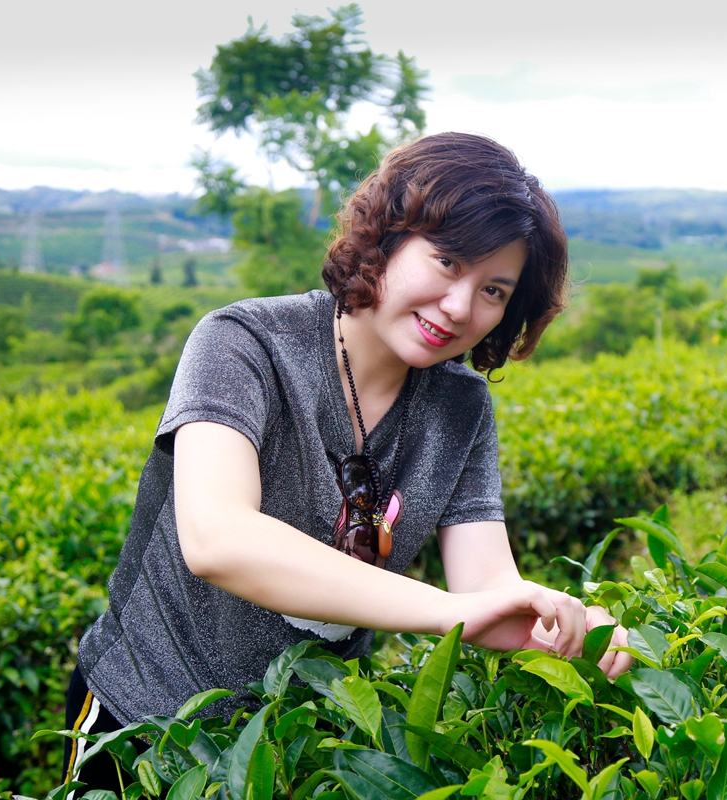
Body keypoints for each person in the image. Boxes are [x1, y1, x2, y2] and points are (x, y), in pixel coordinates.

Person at [61, 132, 632, 793]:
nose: (460, 307)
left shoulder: (460, 406)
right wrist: (447, 611)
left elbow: (484, 589)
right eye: (448, 262)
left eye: (494, 291)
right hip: (143, 723)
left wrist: (568, 626)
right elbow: (218, 540)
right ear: (387, 236)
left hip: (297, 742)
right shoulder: (244, 344)